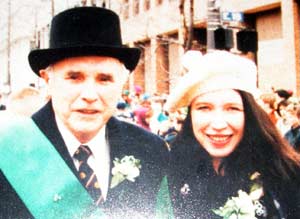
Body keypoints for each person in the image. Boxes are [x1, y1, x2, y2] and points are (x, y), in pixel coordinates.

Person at [0, 7, 169, 219]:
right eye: (74, 77)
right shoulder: (8, 153)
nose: (90, 94)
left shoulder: (152, 150)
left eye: (104, 79)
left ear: (121, 83)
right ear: (47, 80)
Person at [165, 50, 300, 219]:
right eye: (204, 108)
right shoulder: (170, 172)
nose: (218, 124)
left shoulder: (287, 175)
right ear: (190, 116)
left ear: (249, 115)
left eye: (232, 109)